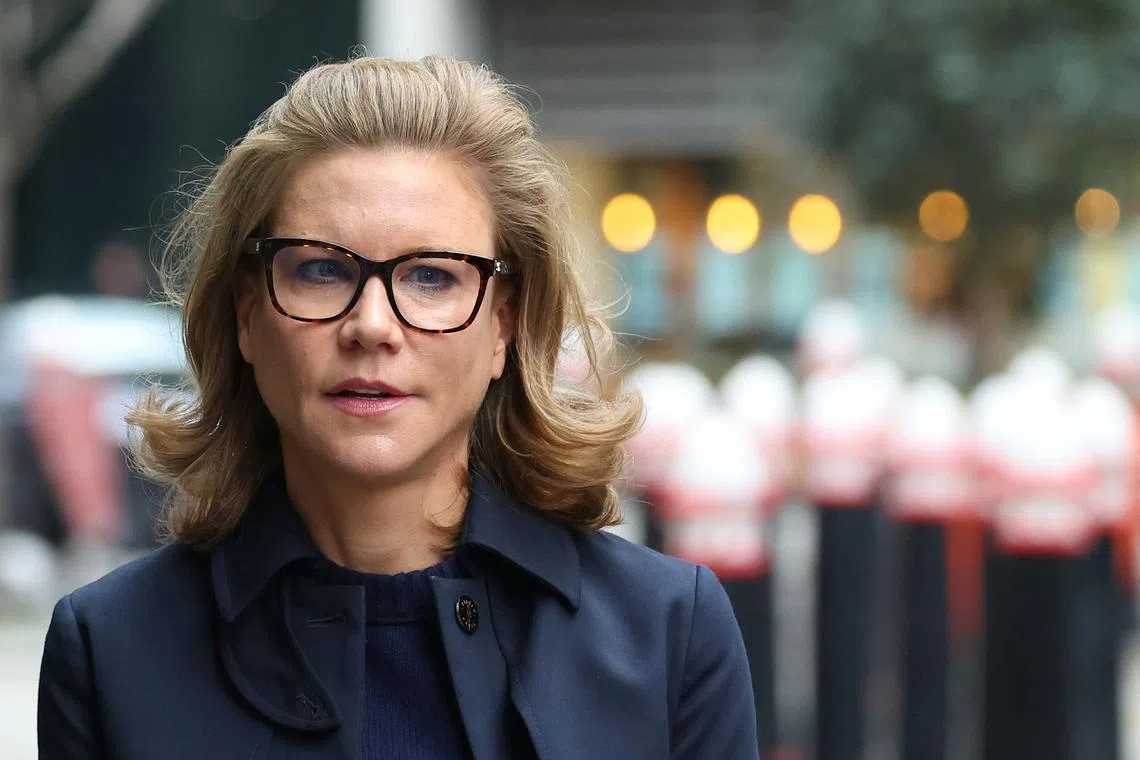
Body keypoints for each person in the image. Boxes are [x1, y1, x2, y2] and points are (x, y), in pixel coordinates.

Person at [36, 56, 759, 759]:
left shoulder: (667, 633)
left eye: (432, 276)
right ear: (247, 312)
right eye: (321, 269)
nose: (373, 325)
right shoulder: (111, 651)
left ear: (503, 325)